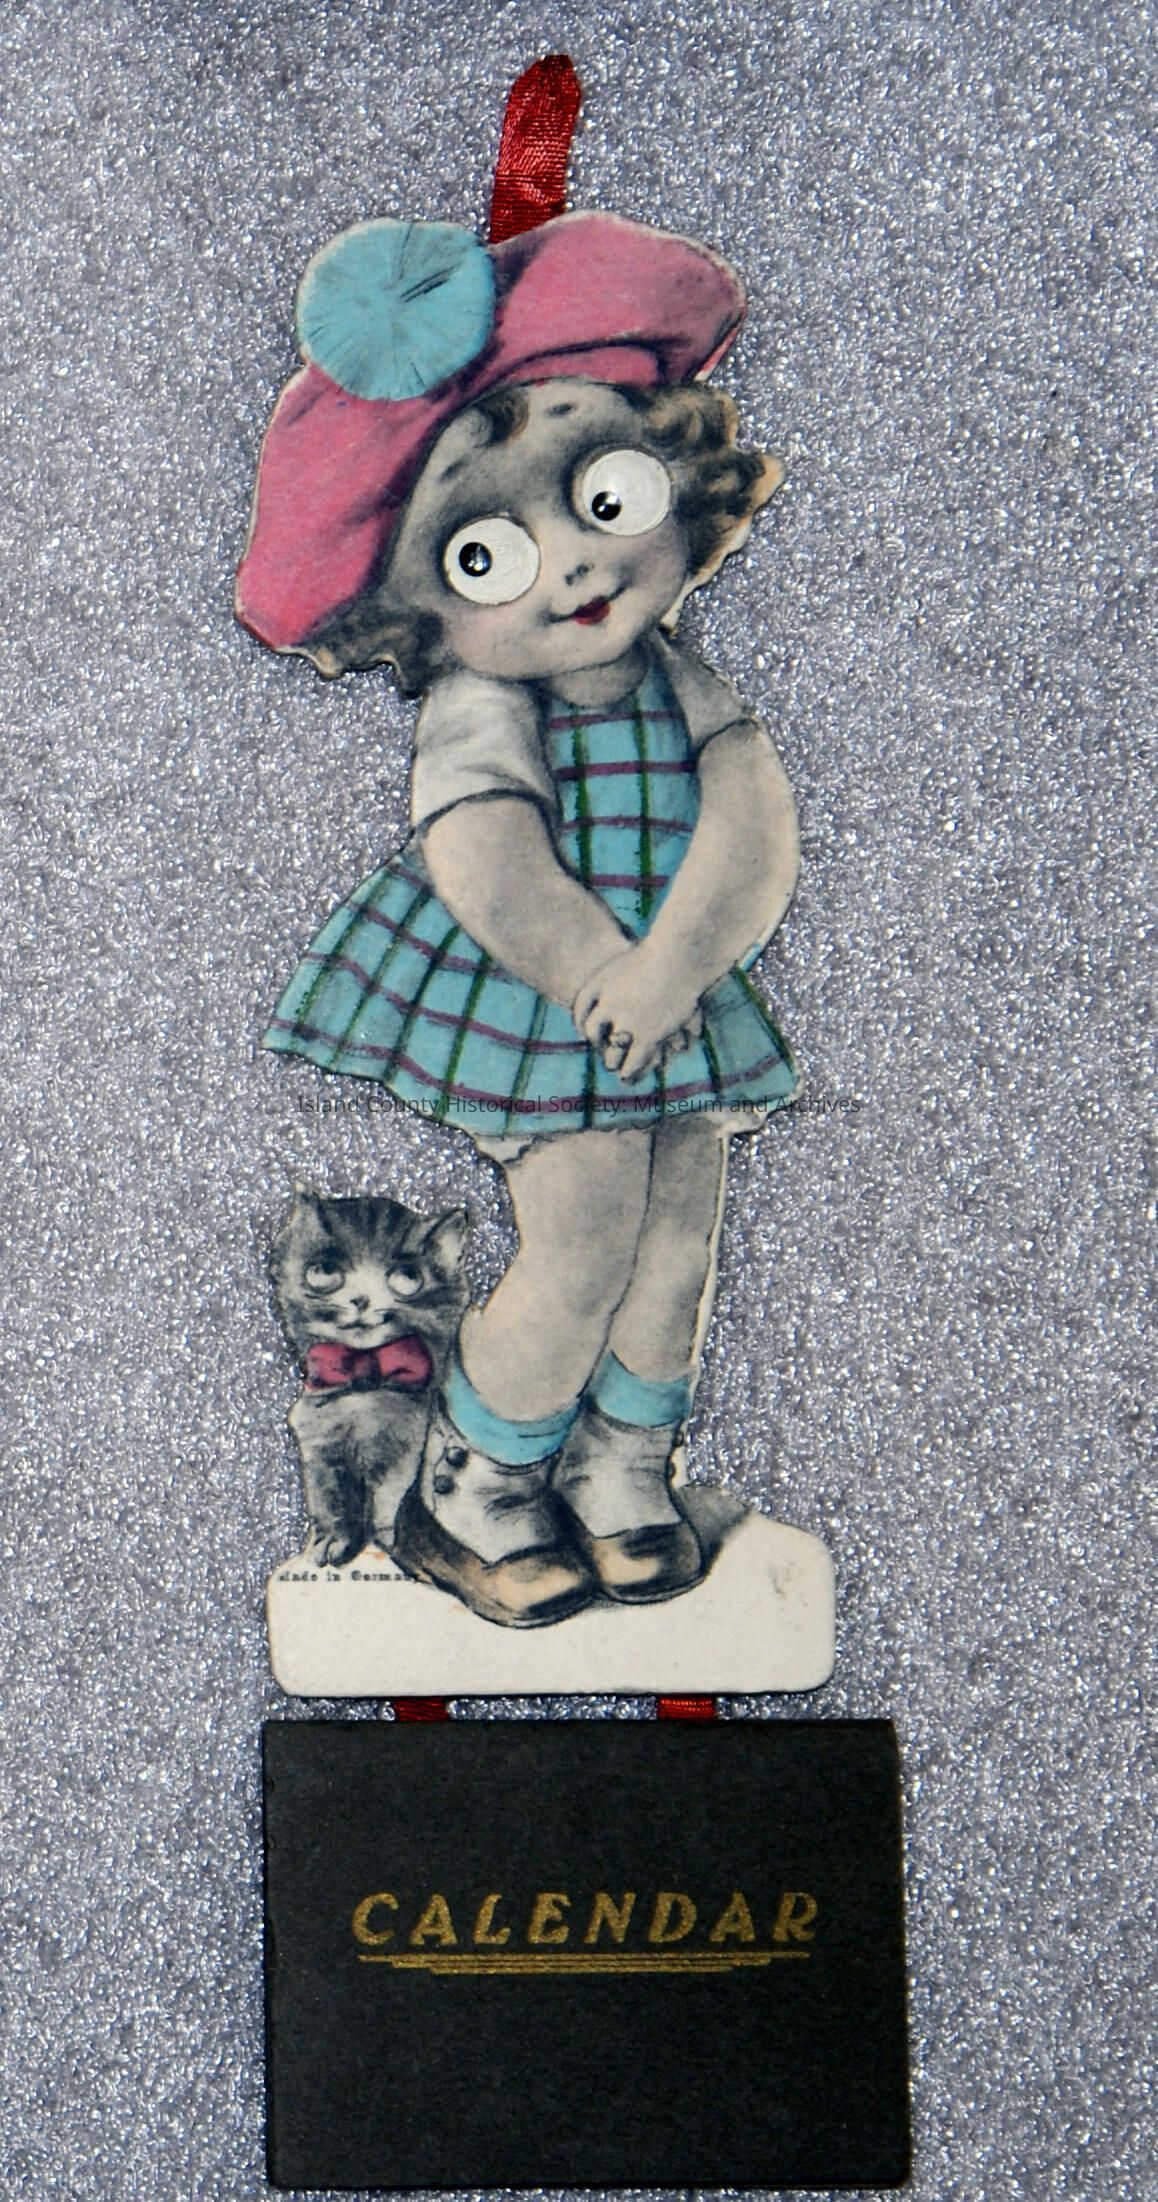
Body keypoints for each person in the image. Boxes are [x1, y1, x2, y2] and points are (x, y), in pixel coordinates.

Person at [238, 205, 801, 1628]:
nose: (575, 567)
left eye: (602, 494)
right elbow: (485, 855)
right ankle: (477, 1483)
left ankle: (623, 1466)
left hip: (671, 980)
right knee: (585, 1234)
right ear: (421, 604)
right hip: (547, 998)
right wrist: (604, 970)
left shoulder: (677, 674)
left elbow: (750, 818)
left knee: (680, 1238)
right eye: (486, 554)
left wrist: (677, 960)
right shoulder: (481, 702)